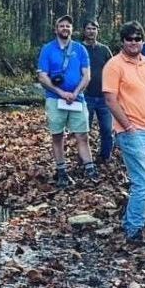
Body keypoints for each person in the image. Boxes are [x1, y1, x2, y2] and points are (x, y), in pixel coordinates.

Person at [103, 21, 145, 241]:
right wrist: (128, 127)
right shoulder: (114, 65)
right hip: (132, 133)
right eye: (129, 39)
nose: (133, 42)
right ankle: (133, 229)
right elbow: (110, 100)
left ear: (143, 41)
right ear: (122, 41)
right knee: (144, 183)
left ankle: (132, 215)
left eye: (137, 38)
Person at [37, 14, 97, 187]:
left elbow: (86, 75)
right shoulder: (47, 49)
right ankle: (61, 171)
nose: (65, 28)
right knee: (57, 136)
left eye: (68, 26)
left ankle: (90, 169)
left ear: (72, 29)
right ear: (56, 29)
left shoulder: (80, 49)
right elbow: (42, 76)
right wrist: (61, 93)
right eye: (62, 26)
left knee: (82, 135)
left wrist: (76, 92)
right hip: (55, 99)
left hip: (77, 99)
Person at [82, 19, 113, 165]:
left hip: (104, 97)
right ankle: (84, 158)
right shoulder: (79, 49)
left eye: (94, 29)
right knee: (83, 130)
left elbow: (113, 69)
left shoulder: (104, 50)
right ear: (84, 31)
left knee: (107, 130)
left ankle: (105, 157)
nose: (91, 31)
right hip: (85, 96)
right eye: (88, 28)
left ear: (97, 31)